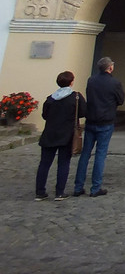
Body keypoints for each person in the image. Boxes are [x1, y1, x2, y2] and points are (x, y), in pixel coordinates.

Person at [73, 57, 125, 198]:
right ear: (110, 68)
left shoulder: (91, 80)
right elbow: (121, 100)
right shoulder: (114, 83)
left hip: (91, 120)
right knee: (100, 154)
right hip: (106, 121)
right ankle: (95, 187)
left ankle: (78, 187)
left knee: (85, 154)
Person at [35, 70, 84, 201]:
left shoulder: (50, 99)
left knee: (44, 164)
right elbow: (83, 112)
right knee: (63, 163)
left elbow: (45, 115)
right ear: (72, 82)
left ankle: (40, 192)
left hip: (49, 134)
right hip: (66, 134)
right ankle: (59, 192)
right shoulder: (76, 97)